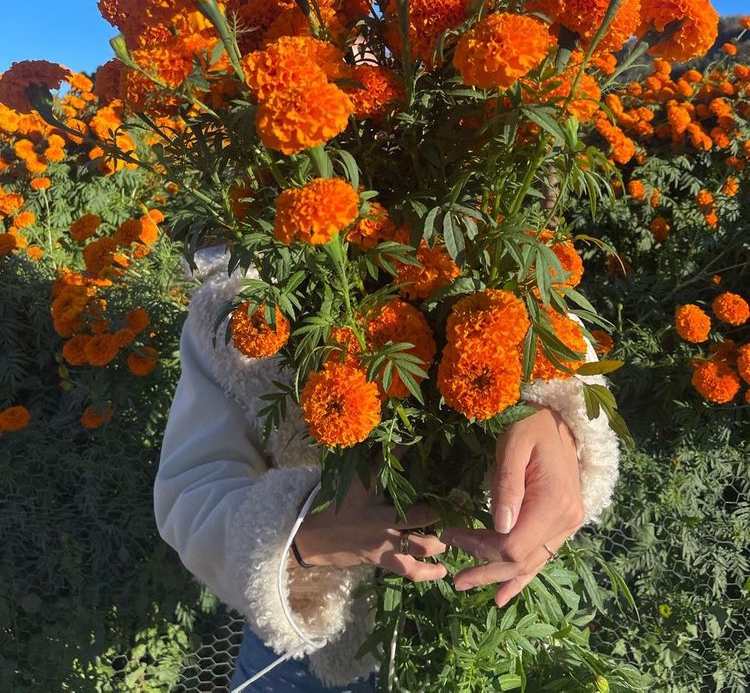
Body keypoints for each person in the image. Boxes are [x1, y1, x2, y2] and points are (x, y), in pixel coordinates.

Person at [154, 245, 621, 691]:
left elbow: (554, 331)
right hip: (313, 643)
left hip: (483, 619)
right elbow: (190, 492)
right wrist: (303, 534)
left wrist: (556, 413)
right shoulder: (237, 305)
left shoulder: (493, 250)